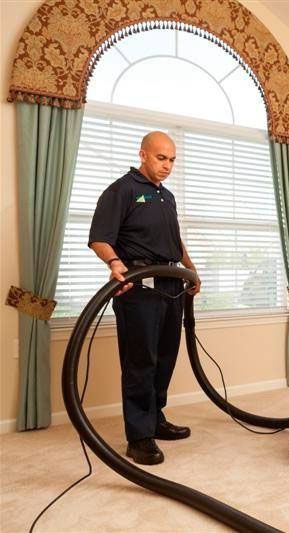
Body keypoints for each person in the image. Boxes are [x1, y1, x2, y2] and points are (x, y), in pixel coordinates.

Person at [88, 131, 201, 465]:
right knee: (141, 361)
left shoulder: (167, 196)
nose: (167, 165)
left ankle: (155, 420)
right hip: (138, 287)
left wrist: (191, 271)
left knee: (165, 357)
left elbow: (175, 240)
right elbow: (99, 238)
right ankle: (138, 437)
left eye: (172, 160)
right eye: (160, 158)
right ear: (143, 154)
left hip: (171, 284)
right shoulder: (122, 190)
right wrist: (115, 263)